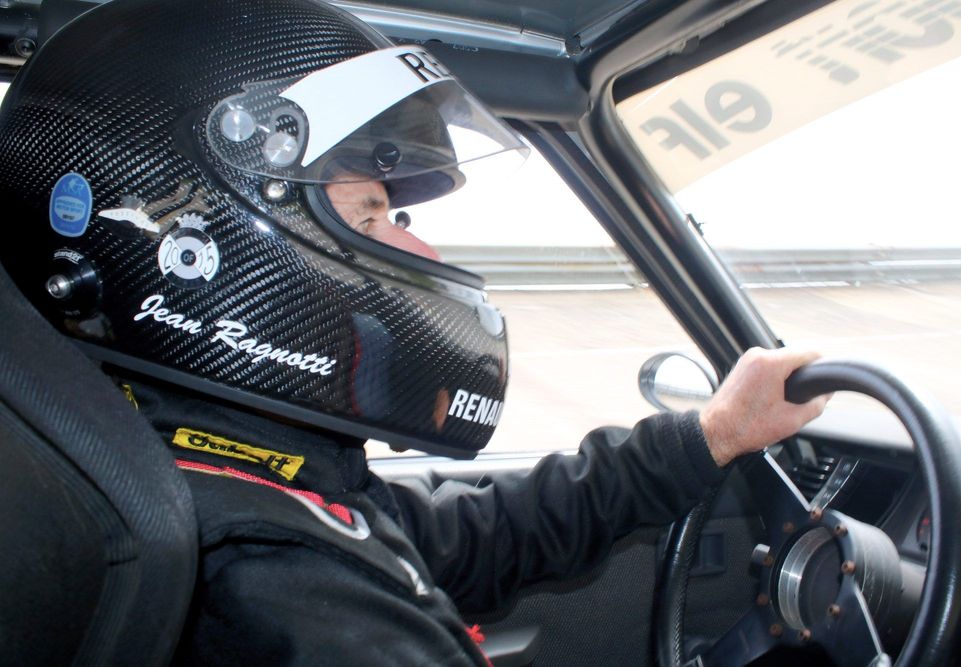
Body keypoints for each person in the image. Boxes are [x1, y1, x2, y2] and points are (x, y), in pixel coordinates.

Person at [0, 0, 829, 663]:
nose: (421, 251)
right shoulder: (278, 582)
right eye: (371, 214)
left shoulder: (228, 465)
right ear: (201, 247)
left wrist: (713, 433)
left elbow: (471, 537)